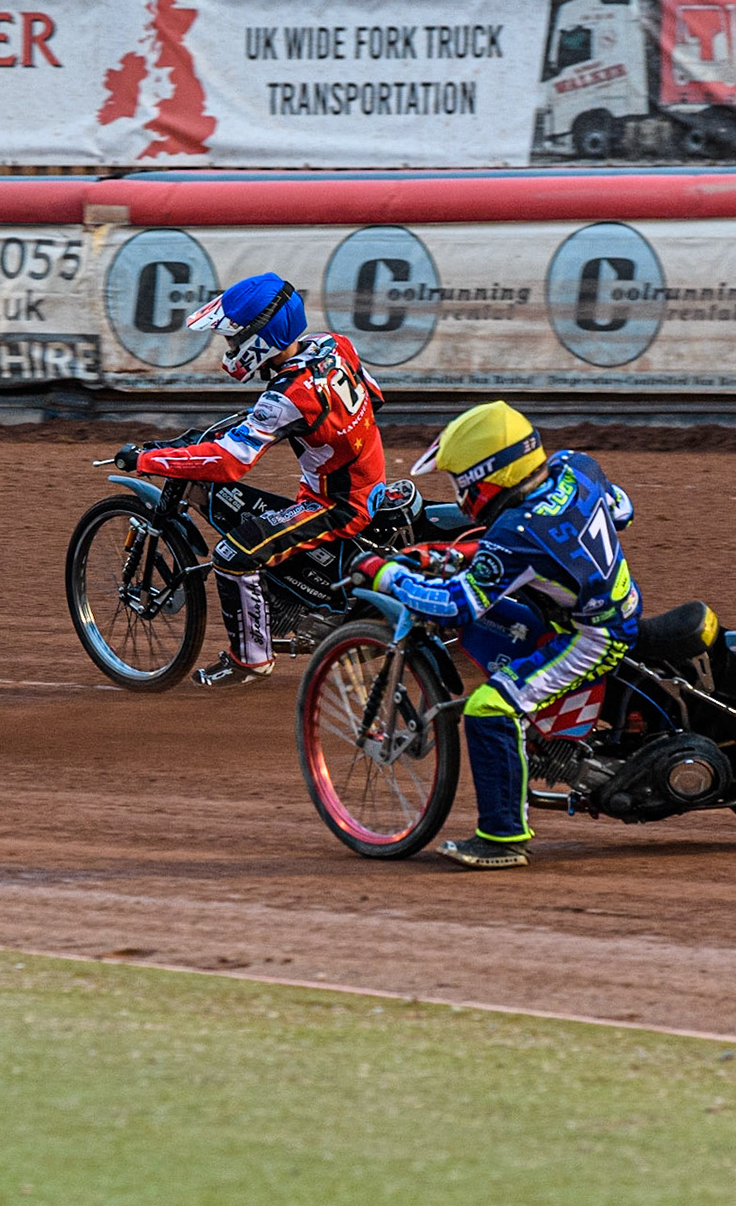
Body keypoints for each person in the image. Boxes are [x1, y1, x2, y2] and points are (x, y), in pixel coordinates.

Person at [358, 401, 638, 869]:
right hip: (607, 601)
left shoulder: (518, 530)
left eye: (459, 480)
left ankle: (503, 837)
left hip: (594, 635)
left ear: (485, 478)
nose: (458, 492)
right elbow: (623, 511)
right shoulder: (575, 465)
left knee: (489, 707)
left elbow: (453, 606)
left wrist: (386, 575)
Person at [114, 272, 386, 687]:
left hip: (337, 504)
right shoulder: (334, 345)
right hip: (369, 480)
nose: (229, 347)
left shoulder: (286, 396)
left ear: (262, 338)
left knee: (232, 554)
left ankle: (251, 659)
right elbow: (376, 396)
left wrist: (150, 459)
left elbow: (228, 463)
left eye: (233, 339)